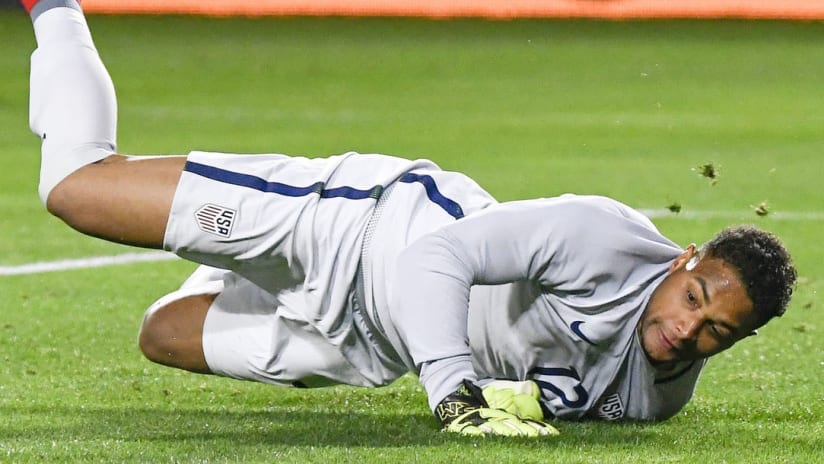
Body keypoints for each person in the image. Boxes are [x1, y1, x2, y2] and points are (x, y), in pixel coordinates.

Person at [23, 0, 797, 438]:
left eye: (716, 334)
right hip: (355, 235)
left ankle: (226, 252)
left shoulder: (659, 399)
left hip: (367, 344)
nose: (687, 332)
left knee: (162, 334)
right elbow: (436, 261)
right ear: (683, 261)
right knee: (78, 191)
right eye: (695, 300)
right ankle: (55, 9)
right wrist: (455, 393)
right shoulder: (600, 238)